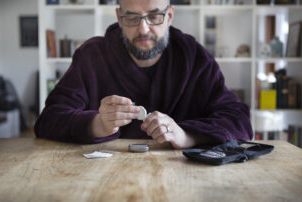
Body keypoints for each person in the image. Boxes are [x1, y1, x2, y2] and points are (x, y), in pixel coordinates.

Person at [35, 0, 253, 149]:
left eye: (154, 16)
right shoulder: (91, 57)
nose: (143, 29)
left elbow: (239, 121)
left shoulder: (194, 57)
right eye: (132, 18)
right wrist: (96, 124)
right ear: (119, 18)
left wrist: (186, 135)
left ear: (169, 15)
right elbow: (48, 120)